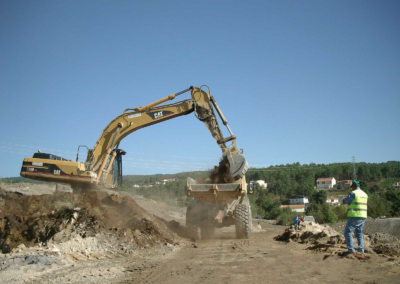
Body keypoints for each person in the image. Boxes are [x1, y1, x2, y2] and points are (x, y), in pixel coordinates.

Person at [342, 180, 368, 258]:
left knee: (347, 232)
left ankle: (351, 250)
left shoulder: (354, 193)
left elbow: (344, 202)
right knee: (359, 232)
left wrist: (344, 199)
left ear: (353, 186)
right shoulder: (364, 194)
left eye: (352, 187)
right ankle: (361, 250)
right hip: (363, 215)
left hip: (355, 215)